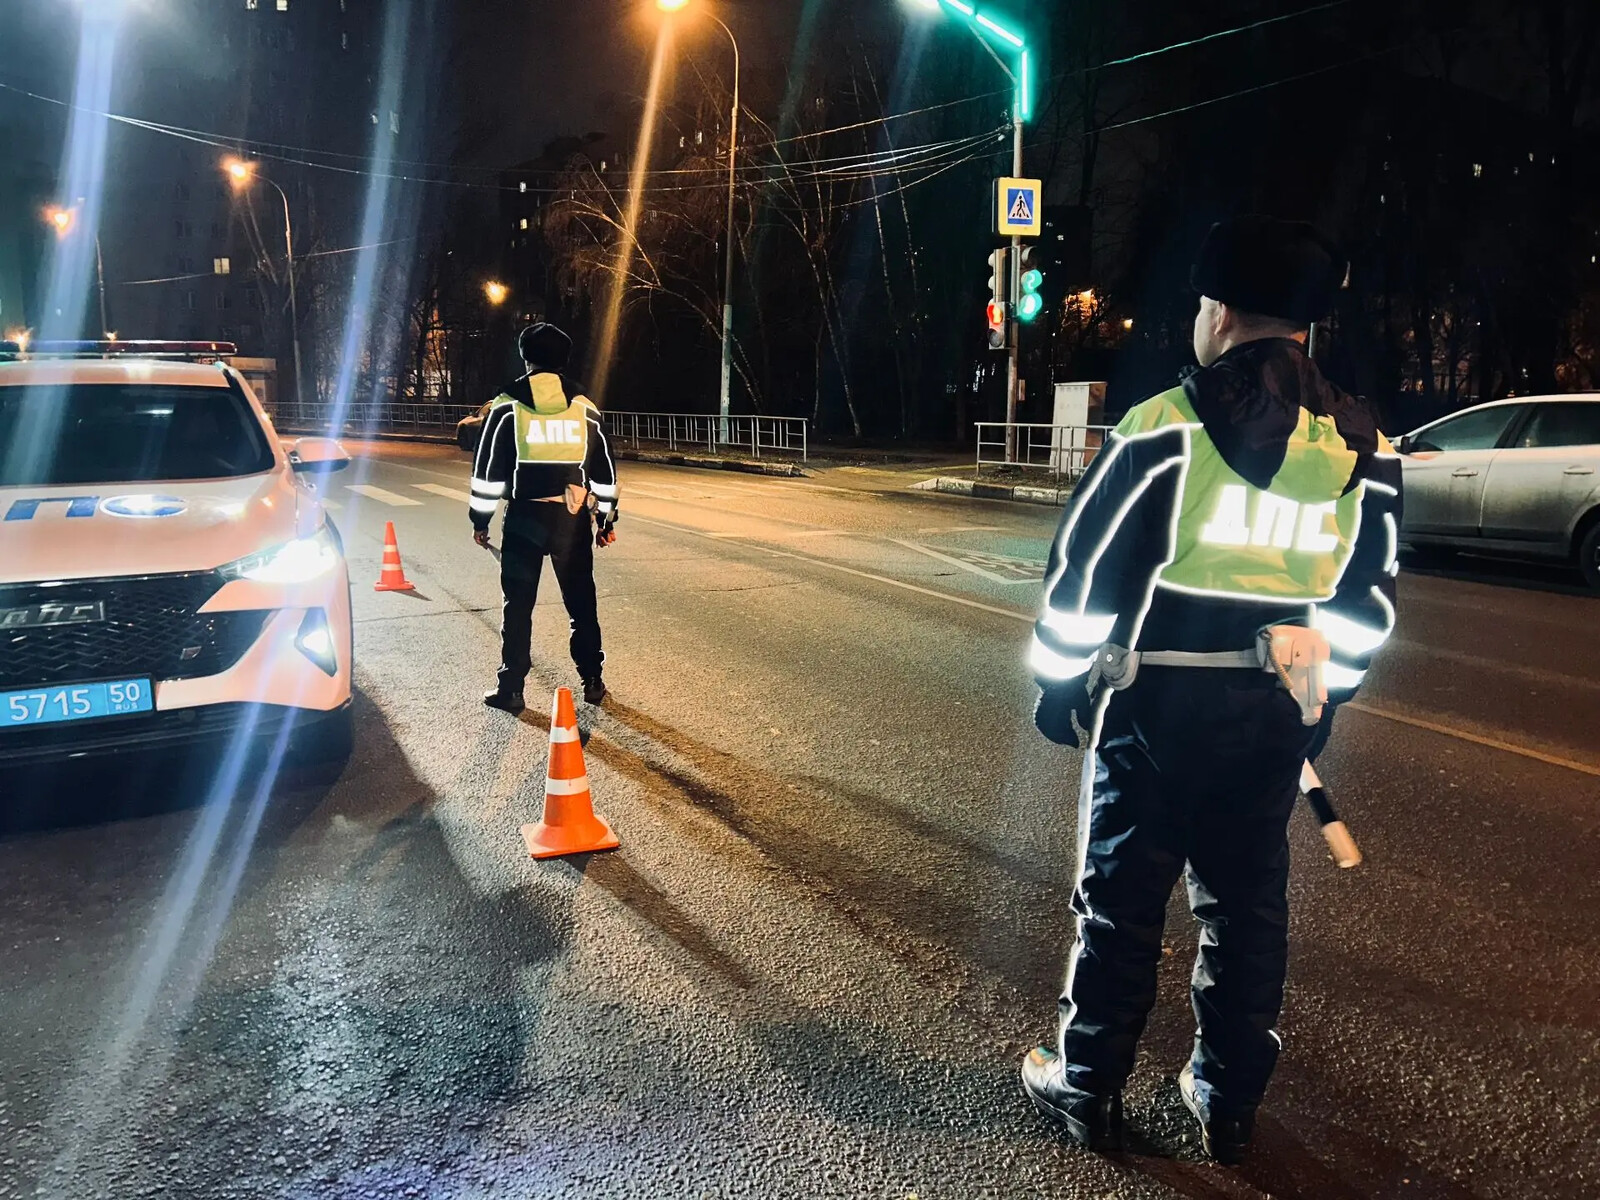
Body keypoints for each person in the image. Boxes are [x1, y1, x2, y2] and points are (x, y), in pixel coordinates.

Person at [1019, 216, 1401, 1163]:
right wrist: (1325, 702)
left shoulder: (1165, 430)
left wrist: (1059, 686)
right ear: (1303, 327)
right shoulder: (1365, 446)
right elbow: (1367, 603)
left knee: (1121, 902)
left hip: (1155, 708)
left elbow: (1082, 579)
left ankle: (1087, 1082)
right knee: (1246, 907)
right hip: (1276, 709)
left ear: (1220, 313)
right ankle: (1227, 1100)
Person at [470, 322, 618, 712]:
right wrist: (605, 522)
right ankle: (592, 681)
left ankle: (511, 688)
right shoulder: (586, 410)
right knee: (581, 602)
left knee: (518, 605)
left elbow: (487, 473)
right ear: (564, 360)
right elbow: (605, 474)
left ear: (526, 358)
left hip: (524, 518)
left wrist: (480, 521)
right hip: (571, 519)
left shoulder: (506, 407)